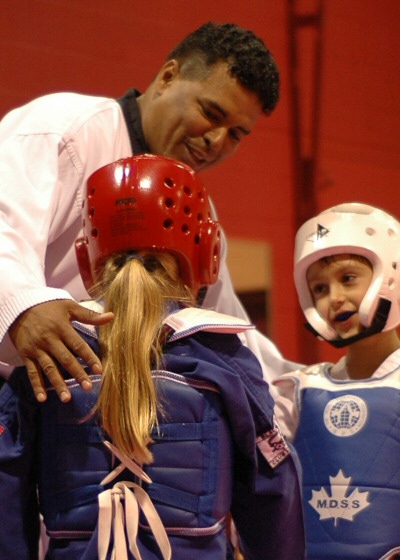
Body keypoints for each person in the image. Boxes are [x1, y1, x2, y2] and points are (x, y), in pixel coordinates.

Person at [0, 154, 305, 559]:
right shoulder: (222, 358)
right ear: (206, 253)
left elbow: (6, 486)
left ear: (86, 257)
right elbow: (272, 487)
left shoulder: (49, 354)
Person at [0, 21, 300, 403]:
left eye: (237, 133)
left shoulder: (198, 207)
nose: (216, 140)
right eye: (211, 112)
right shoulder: (67, 129)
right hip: (17, 399)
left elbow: (223, 325)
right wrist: (21, 305)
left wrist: (303, 387)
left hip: (104, 412)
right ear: (168, 77)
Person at [273, 202, 400, 560]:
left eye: (347, 278)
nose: (335, 299)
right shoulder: (297, 392)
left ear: (389, 274)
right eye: (319, 288)